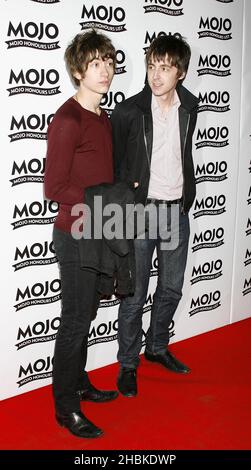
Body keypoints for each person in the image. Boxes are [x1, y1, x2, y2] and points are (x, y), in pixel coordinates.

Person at [111, 35, 198, 397]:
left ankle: (157, 346)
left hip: (176, 210)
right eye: (151, 66)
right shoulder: (129, 111)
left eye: (165, 68)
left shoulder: (190, 105)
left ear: (180, 72)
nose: (156, 75)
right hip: (142, 212)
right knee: (134, 294)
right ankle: (128, 364)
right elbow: (115, 166)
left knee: (172, 287)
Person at [44, 30, 118, 438]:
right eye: (95, 64)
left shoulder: (103, 117)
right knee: (75, 320)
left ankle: (79, 381)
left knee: (87, 314)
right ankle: (64, 407)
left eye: (108, 62)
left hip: (100, 232)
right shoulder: (68, 119)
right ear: (77, 70)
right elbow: (54, 187)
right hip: (74, 236)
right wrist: (98, 201)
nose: (105, 70)